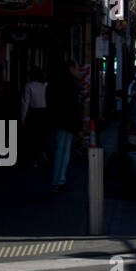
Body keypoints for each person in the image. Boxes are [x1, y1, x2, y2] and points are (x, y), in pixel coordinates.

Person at [47, 60, 83, 192]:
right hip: (66, 124)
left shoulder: (54, 83)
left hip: (56, 122)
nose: (79, 72)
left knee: (58, 151)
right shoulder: (71, 86)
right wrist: (78, 127)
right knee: (63, 153)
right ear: (71, 69)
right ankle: (58, 181)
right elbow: (73, 108)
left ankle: (58, 180)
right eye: (77, 69)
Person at [20, 66, 50, 168]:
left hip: (33, 113)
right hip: (44, 112)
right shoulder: (45, 85)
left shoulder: (28, 86)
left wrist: (23, 117)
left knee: (33, 137)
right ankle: (43, 154)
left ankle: (35, 159)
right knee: (42, 135)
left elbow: (25, 103)